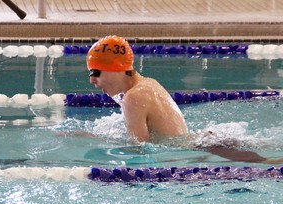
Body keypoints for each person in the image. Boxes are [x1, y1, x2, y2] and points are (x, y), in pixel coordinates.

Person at [86, 35, 283, 164]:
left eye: (96, 72)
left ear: (116, 68)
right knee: (269, 153)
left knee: (271, 163)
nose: (92, 80)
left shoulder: (133, 97)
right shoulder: (146, 84)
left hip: (200, 147)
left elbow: (139, 149)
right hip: (205, 142)